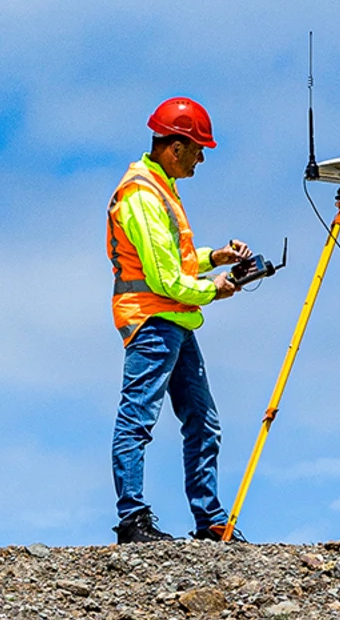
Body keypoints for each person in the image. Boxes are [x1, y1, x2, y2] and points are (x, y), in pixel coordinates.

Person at [105, 97, 251, 544]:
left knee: (203, 421)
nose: (202, 157)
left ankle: (209, 521)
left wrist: (214, 258)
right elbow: (165, 278)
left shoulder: (160, 187)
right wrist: (216, 289)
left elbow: (176, 261)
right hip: (151, 321)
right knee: (138, 419)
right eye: (198, 148)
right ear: (175, 146)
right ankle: (132, 520)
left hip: (174, 320)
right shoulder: (143, 196)